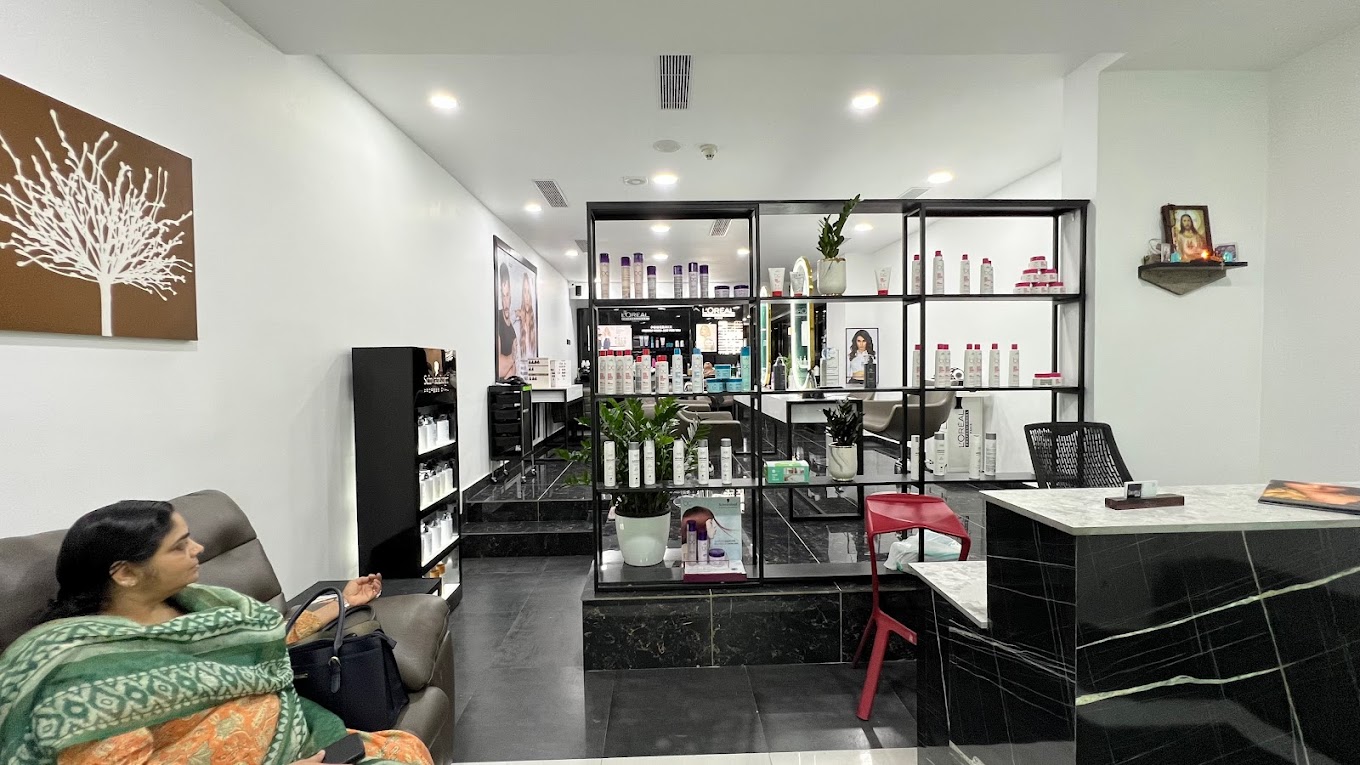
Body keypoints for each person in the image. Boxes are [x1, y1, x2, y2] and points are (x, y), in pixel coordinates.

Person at [0, 500, 433, 765]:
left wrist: (340, 603)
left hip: (302, 736)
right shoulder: (81, 673)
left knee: (406, 750)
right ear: (126, 573)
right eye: (179, 546)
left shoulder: (199, 603)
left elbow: (260, 639)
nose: (199, 549)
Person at [496, 263, 519, 379]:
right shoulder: (498, 322)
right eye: (503, 295)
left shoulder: (511, 326)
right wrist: (512, 357)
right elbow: (499, 370)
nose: (505, 301)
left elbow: (513, 370)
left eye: (507, 295)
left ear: (511, 297)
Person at [517, 274, 537, 362]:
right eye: (525, 292)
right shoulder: (518, 321)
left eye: (529, 292)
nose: (527, 297)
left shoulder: (535, 323)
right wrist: (517, 314)